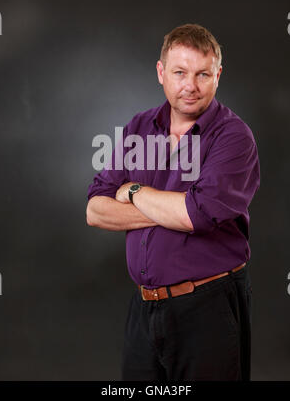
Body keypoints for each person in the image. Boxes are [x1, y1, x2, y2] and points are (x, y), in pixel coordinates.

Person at [86, 23, 260, 381]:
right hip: (144, 308)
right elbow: (95, 210)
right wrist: (172, 210)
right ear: (161, 72)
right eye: (180, 72)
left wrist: (134, 191)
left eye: (203, 74)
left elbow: (196, 215)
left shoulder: (233, 137)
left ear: (218, 75)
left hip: (207, 308)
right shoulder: (139, 127)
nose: (190, 86)